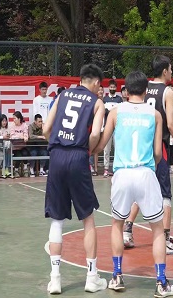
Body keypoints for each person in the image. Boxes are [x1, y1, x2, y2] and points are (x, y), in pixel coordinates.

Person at [93, 70, 173, 296]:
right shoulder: (155, 114)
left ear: (126, 90)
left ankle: (117, 276)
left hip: (122, 173)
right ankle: (161, 282)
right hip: (145, 173)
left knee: (117, 225)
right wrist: (150, 164)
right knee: (157, 229)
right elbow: (158, 153)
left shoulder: (116, 112)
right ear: (146, 90)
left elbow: (101, 143)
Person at [42, 64, 107, 294]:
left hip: (57, 155)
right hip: (78, 156)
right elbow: (95, 133)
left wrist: (58, 145)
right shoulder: (97, 103)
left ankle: (55, 279)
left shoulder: (62, 96)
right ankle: (91, 277)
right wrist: (87, 150)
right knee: (87, 218)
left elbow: (46, 129)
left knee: (57, 219)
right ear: (96, 83)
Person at [123, 55, 173, 256]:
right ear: (164, 71)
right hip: (158, 145)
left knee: (140, 188)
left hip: (141, 144)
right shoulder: (167, 91)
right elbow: (170, 124)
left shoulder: (144, 87)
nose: (172, 72)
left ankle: (127, 230)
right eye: (170, 69)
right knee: (165, 193)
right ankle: (166, 239)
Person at [102, 79, 123, 177]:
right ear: (108, 88)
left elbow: (120, 112)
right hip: (107, 127)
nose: (112, 88)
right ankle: (106, 169)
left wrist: (110, 111)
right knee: (107, 149)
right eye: (111, 87)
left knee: (117, 148)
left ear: (116, 88)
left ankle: (116, 168)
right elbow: (104, 111)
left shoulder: (119, 99)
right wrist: (110, 111)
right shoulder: (105, 99)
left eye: (114, 87)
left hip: (117, 128)